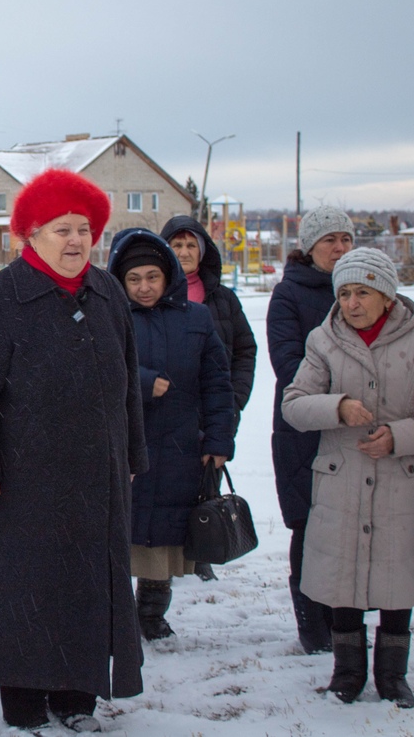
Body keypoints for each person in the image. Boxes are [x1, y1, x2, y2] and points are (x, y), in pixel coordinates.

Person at [0, 169, 145, 732]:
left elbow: (127, 381)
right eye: (61, 229)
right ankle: (26, 705)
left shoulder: (107, 291)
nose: (76, 241)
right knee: (27, 590)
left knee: (86, 588)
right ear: (30, 236)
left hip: (96, 475)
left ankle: (76, 699)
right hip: (21, 479)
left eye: (84, 229)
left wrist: (132, 453)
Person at [282, 248, 414, 708]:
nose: (351, 303)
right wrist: (337, 406)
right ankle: (346, 674)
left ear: (387, 295)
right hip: (340, 478)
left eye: (362, 291)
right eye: (343, 293)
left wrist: (402, 436)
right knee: (342, 581)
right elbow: (294, 405)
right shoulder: (322, 341)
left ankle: (392, 676)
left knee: (395, 578)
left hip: (402, 481)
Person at [108, 229, 233, 640]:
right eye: (134, 279)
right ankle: (117, 617)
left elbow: (218, 383)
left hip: (180, 446)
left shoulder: (195, 319)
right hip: (125, 446)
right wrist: (142, 383)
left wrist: (217, 441)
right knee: (122, 537)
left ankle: (152, 613)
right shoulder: (108, 316)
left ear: (168, 277)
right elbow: (93, 371)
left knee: (163, 542)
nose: (144, 287)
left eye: (152, 277)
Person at [267, 205, 355, 654]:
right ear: (310, 247)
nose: (339, 249)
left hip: (354, 430)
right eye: (329, 241)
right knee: (310, 527)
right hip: (302, 429)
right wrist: (347, 389)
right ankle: (312, 627)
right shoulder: (289, 295)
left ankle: (346, 621)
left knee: (352, 526)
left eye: (345, 240)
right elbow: (287, 364)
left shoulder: (362, 292)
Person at [159, 216, 256, 582]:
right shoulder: (152, 292)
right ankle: (162, 569)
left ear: (203, 251)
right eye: (176, 245)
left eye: (190, 246)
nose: (183, 252)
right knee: (166, 487)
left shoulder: (222, 299)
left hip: (215, 409)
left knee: (206, 482)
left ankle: (204, 550)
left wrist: (236, 399)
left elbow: (245, 350)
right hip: (167, 410)